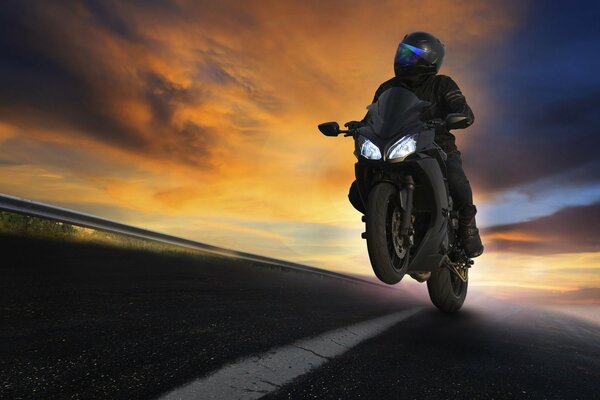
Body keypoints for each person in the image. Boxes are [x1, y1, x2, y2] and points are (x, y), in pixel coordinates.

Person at [347, 31, 484, 258]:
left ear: (429, 60)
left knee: (457, 178)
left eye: (411, 56)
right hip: (392, 145)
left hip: (437, 146)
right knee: (356, 192)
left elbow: (462, 110)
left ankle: (468, 226)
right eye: (402, 53)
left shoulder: (442, 84)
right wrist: (358, 126)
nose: (403, 60)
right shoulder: (387, 88)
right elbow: (373, 116)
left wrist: (456, 116)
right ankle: (387, 221)